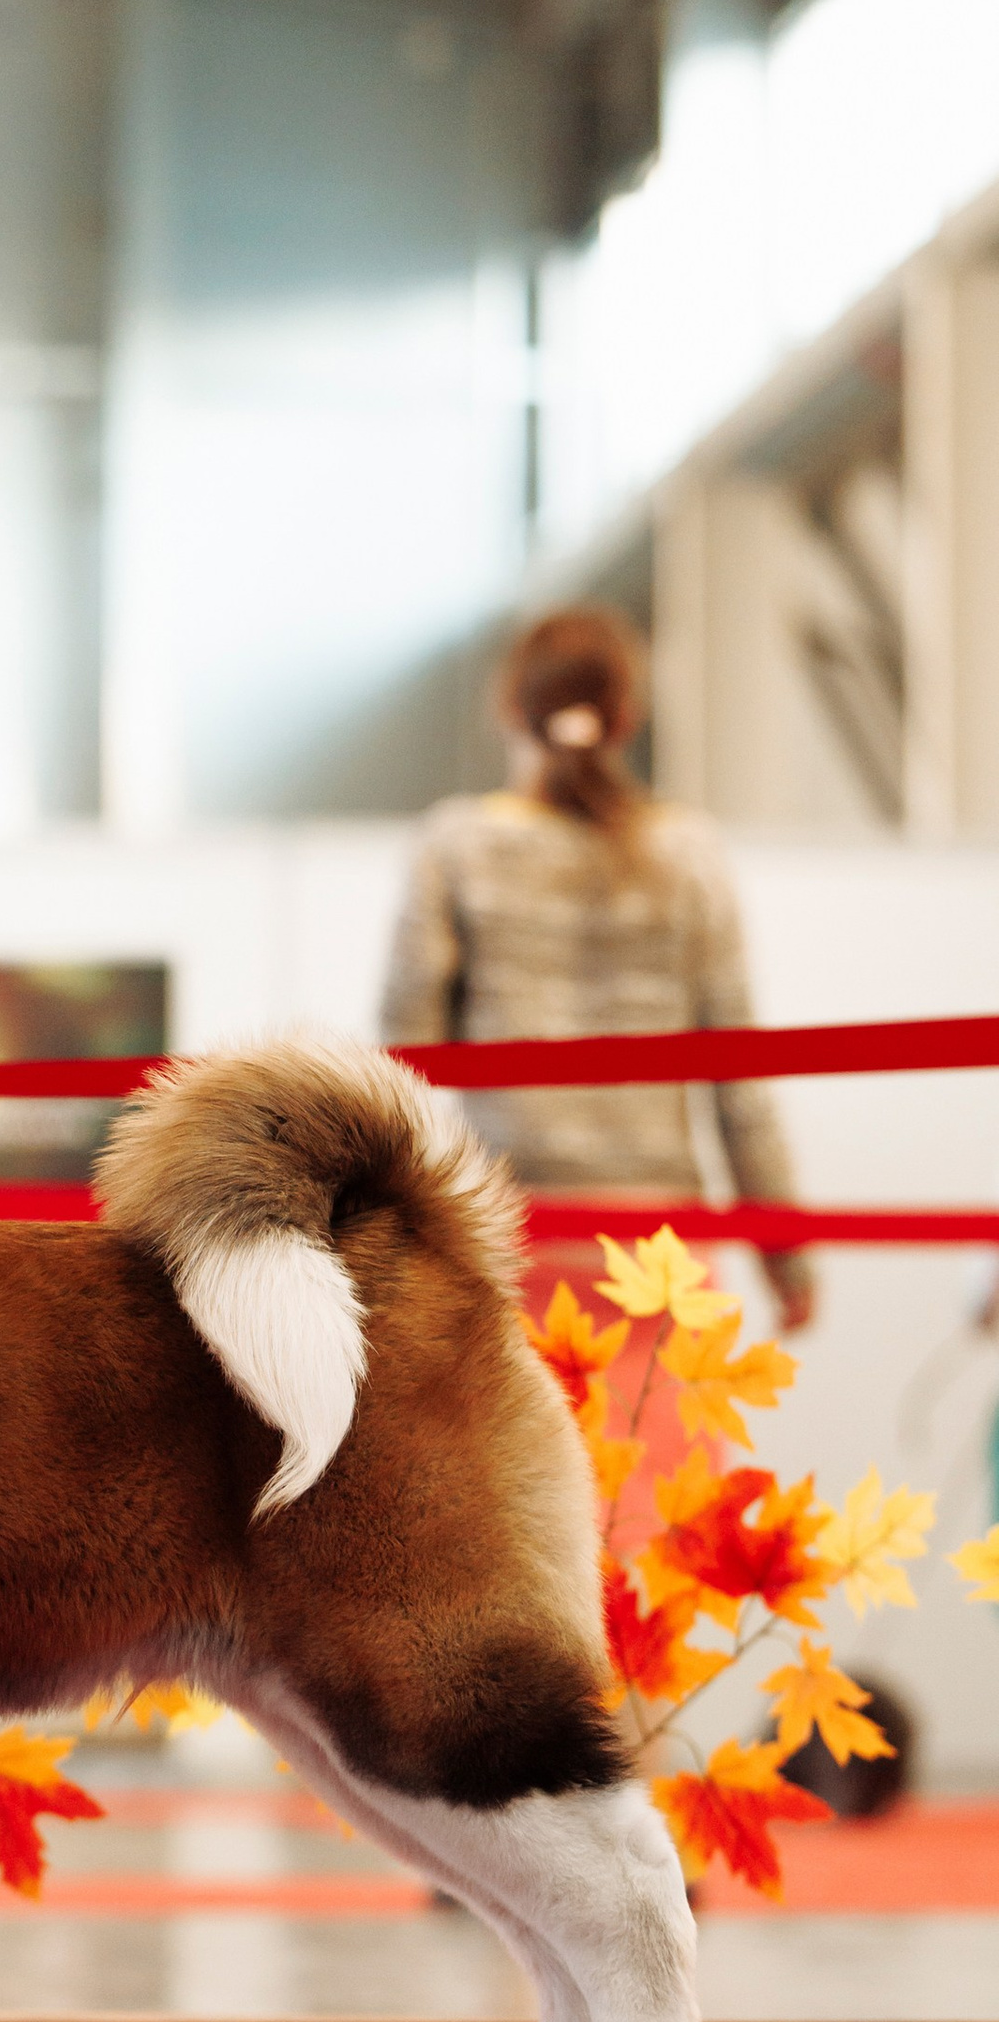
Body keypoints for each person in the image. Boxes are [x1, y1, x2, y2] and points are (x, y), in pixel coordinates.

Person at [380, 606, 812, 1548]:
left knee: (524, 1542)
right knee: (657, 1542)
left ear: (509, 708)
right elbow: (740, 1082)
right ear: (627, 718)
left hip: (512, 1240)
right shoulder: (689, 856)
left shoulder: (456, 846)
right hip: (662, 1255)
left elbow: (404, 1060)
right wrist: (789, 1257)